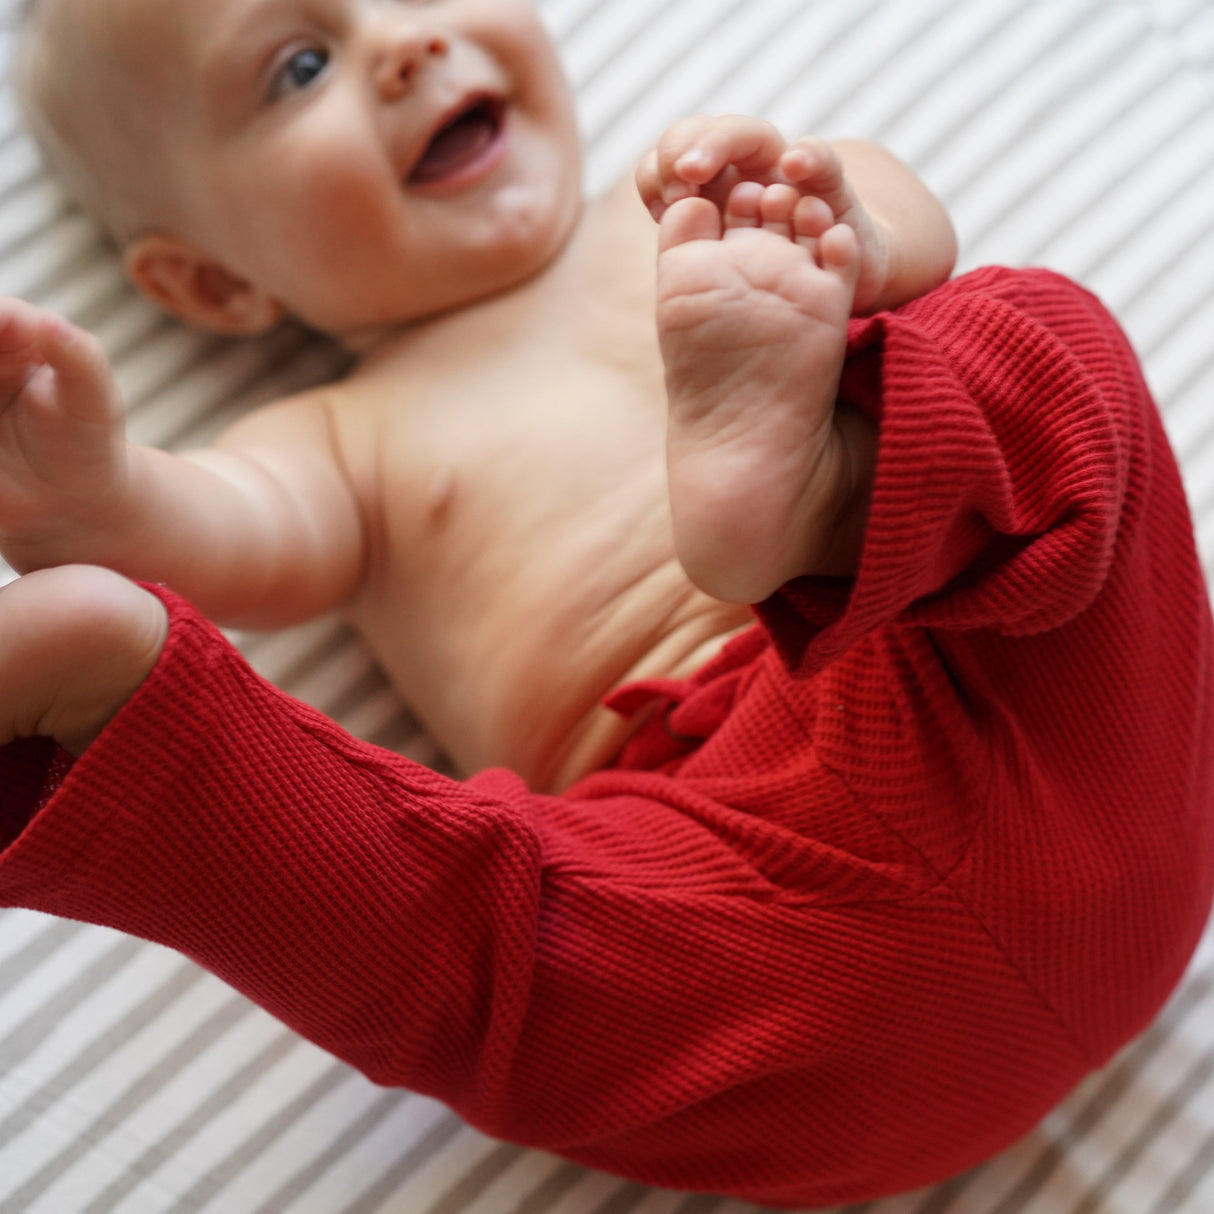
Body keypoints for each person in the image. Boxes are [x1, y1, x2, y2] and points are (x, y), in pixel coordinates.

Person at [0, 0, 1211, 1207]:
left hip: (978, 692)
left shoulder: (695, 221)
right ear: (213, 282)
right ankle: (112, 707)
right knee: (487, 950)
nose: (405, 45)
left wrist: (853, 234)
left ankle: (828, 496)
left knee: (1033, 339)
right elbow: (207, 531)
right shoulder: (331, 441)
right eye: (301, 67)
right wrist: (92, 495)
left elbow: (895, 212)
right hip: (711, 903)